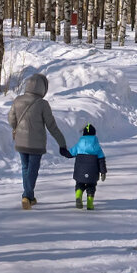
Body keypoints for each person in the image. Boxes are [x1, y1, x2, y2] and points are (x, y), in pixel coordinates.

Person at [8, 72, 71, 210]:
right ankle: (27, 195)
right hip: (36, 144)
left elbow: (11, 119)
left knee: (25, 168)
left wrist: (15, 128)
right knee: (33, 170)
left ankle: (29, 197)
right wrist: (62, 144)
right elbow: (52, 126)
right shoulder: (42, 104)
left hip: (20, 141)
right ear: (43, 88)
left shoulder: (17, 100)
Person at [69, 123, 107, 210]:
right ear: (94, 134)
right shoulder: (97, 146)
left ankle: (78, 194)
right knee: (91, 185)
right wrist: (103, 172)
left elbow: (70, 153)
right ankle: (90, 203)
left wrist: (63, 151)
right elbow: (101, 160)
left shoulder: (79, 145)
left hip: (80, 170)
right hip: (92, 171)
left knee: (79, 183)